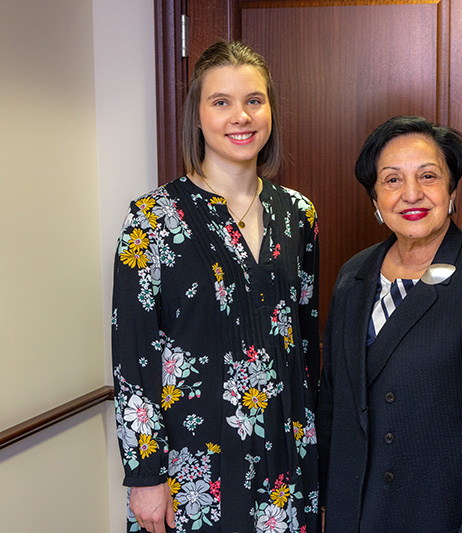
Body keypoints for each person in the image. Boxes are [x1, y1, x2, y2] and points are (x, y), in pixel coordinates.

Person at [111, 41, 320, 533]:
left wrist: (318, 462)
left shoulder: (299, 214)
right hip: (192, 473)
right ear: (198, 117)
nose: (241, 116)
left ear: (270, 111)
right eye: (221, 102)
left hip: (286, 463)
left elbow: (307, 348)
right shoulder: (151, 220)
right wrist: (145, 475)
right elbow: (133, 357)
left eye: (254, 100)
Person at [317, 116, 462, 532]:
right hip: (354, 513)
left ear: (452, 190)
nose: (411, 194)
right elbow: (334, 405)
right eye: (392, 180)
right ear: (375, 200)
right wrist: (328, 503)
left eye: (428, 176)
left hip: (439, 515)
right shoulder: (354, 277)